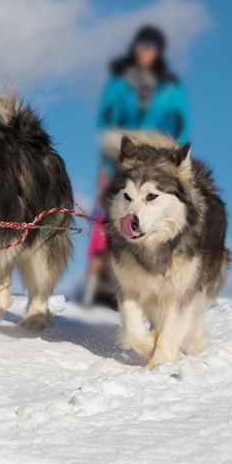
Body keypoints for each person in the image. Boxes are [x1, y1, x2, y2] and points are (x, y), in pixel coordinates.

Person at [83, 25, 190, 307]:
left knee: (154, 214)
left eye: (150, 48)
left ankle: (158, 282)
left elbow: (182, 122)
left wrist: (176, 155)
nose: (144, 53)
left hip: (160, 156)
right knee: (109, 214)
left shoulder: (170, 87)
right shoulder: (119, 83)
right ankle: (103, 281)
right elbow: (108, 119)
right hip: (127, 156)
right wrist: (108, 163)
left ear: (157, 52)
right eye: (140, 47)